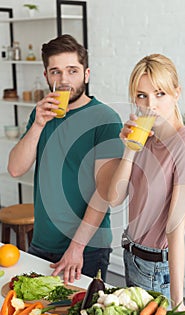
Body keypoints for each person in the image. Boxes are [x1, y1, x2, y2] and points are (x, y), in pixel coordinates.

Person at [8, 34, 123, 284]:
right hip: (41, 242)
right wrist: (38, 124)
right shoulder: (42, 114)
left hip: (87, 249)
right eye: (56, 72)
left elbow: (104, 193)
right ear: (47, 76)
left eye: (72, 70)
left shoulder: (106, 119)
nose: (64, 80)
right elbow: (16, 169)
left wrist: (76, 248)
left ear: (86, 74)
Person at [108, 54, 185, 310]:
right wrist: (129, 149)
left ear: (176, 93)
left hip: (155, 269)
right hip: (131, 256)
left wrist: (178, 302)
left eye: (159, 93)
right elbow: (114, 198)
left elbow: (175, 227)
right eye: (141, 96)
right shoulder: (145, 140)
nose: (150, 105)